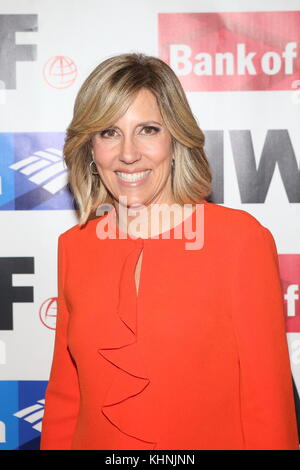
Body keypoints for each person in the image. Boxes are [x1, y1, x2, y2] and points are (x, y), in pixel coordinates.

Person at [40, 52, 299, 450]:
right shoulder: (75, 246)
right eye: (108, 132)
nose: (128, 153)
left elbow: (268, 405)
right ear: (89, 147)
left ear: (176, 138)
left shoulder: (239, 240)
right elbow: (65, 396)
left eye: (147, 129)